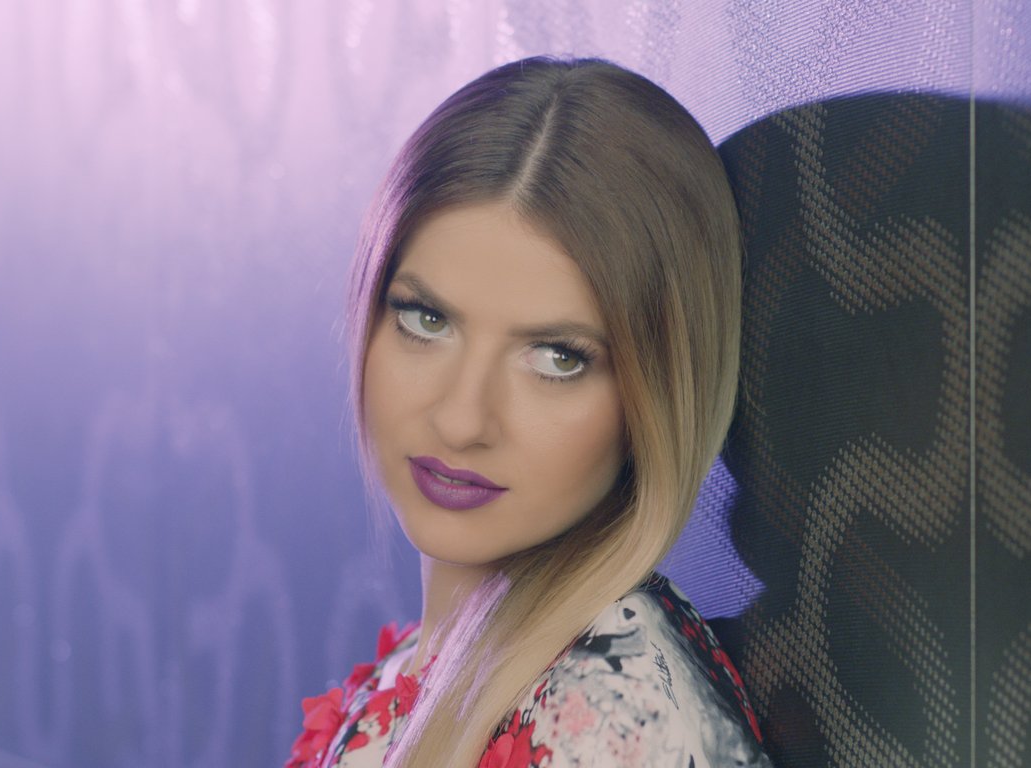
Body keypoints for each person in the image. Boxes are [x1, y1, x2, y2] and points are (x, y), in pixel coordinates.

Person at [286, 56, 771, 767]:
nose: (461, 421)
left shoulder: (609, 720)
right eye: (426, 319)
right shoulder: (435, 663)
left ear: (656, 396)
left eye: (557, 357)